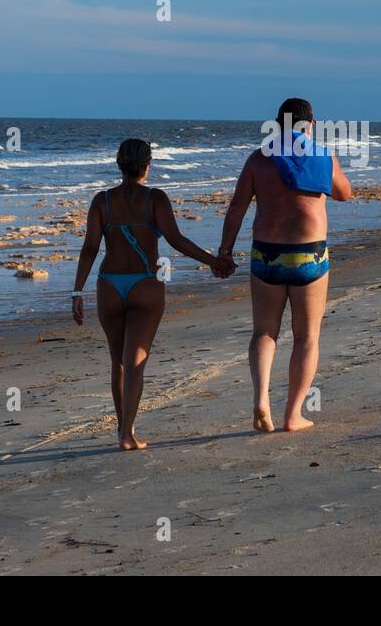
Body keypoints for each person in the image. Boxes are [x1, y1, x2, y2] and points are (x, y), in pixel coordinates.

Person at [71, 139, 234, 451]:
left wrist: (77, 291)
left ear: (118, 164)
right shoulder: (155, 199)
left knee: (117, 361)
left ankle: (123, 429)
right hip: (147, 282)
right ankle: (127, 434)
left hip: (109, 284)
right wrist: (215, 261)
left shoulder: (101, 201)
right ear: (148, 165)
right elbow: (176, 240)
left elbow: (90, 248)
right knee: (136, 363)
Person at [218, 98, 353, 433]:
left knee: (264, 331)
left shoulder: (259, 158)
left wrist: (224, 252)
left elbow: (236, 207)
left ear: (277, 123)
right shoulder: (322, 155)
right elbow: (344, 193)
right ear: (312, 123)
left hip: (266, 254)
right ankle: (293, 415)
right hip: (309, 255)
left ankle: (261, 399)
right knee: (306, 335)